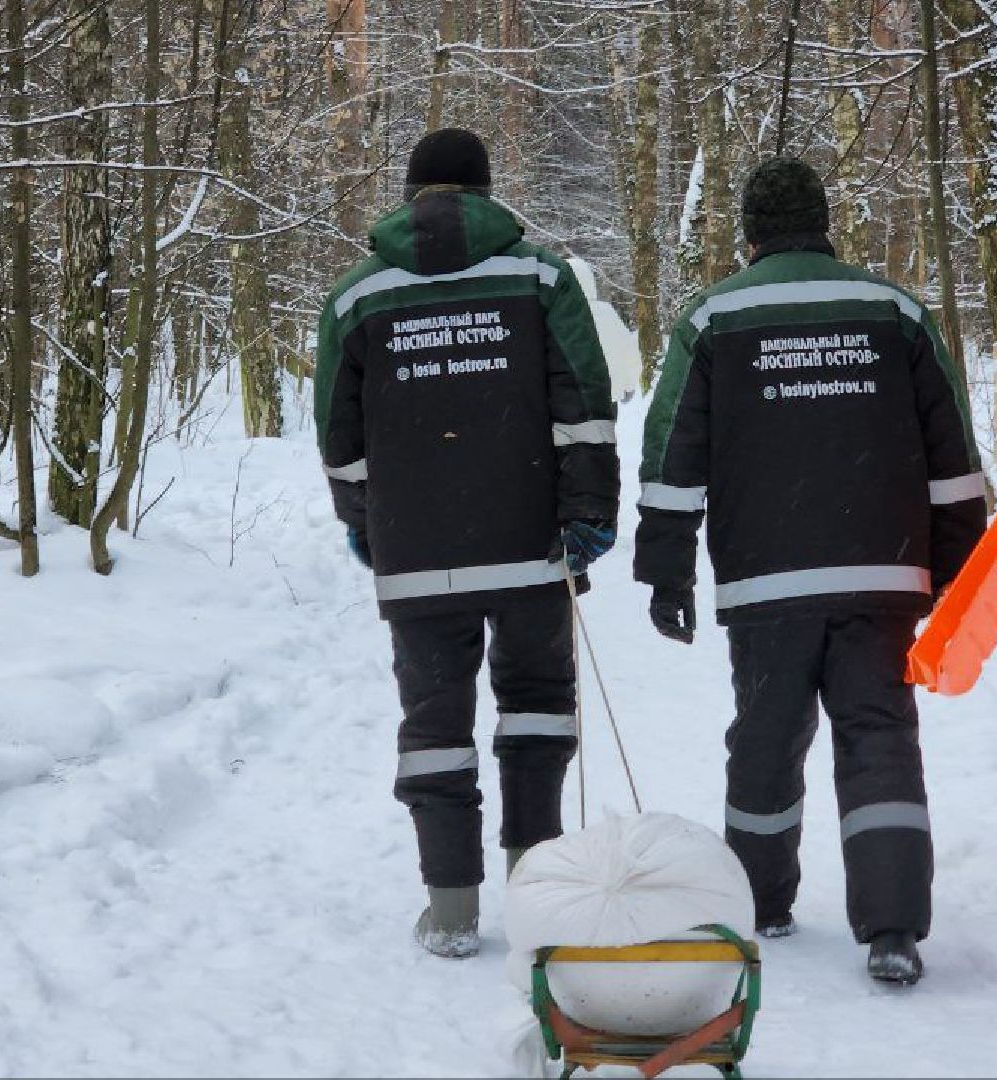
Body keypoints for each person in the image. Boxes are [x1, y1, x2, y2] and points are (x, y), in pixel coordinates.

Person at [632, 157, 986, 985]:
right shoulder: (892, 311)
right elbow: (952, 459)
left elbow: (671, 456)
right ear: (825, 223)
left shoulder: (713, 318)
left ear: (748, 232)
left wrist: (666, 570)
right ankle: (893, 926)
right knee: (879, 740)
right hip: (882, 573)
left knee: (764, 739)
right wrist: (956, 568)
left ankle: (758, 902)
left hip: (766, 581)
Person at [313, 129, 620, 959]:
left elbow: (338, 437)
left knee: (434, 721)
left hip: (416, 550)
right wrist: (588, 512)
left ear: (411, 194)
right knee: (536, 708)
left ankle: (450, 909)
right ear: (486, 191)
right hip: (529, 541)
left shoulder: (355, 297)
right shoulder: (540, 279)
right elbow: (584, 405)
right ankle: (535, 889)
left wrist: (364, 523)